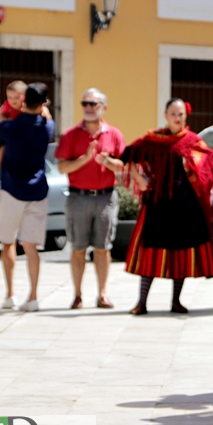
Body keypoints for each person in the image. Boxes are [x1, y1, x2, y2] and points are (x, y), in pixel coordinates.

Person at [122, 98, 213, 315]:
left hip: (184, 203)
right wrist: (139, 178)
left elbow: (211, 160)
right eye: (173, 113)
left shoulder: (193, 141)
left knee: (181, 252)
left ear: (186, 117)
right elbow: (127, 155)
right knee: (150, 252)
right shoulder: (151, 139)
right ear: (165, 115)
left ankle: (176, 301)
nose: (177, 117)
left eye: (181, 114)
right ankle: (142, 302)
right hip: (158, 202)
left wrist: (194, 169)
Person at [55, 88, 125, 309]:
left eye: (93, 104)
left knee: (103, 248)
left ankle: (102, 294)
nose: (88, 108)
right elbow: (62, 167)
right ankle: (77, 295)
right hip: (78, 198)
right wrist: (85, 159)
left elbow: (122, 166)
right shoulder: (70, 135)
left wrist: (108, 163)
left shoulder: (114, 134)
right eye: (84, 103)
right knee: (78, 248)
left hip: (105, 197)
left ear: (103, 107)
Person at [0, 83, 55, 312]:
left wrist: (2, 119)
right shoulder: (47, 127)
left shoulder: (8, 127)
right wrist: (44, 111)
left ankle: (10, 294)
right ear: (42, 104)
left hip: (11, 190)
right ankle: (33, 297)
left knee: (7, 242)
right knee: (31, 247)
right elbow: (47, 120)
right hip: (37, 192)